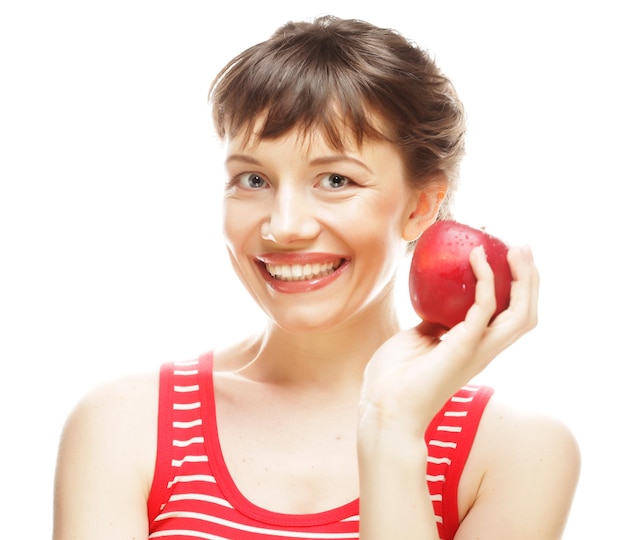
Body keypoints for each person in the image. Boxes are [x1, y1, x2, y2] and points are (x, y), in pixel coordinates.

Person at [53, 15, 580, 540]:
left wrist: (391, 429)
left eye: (335, 179)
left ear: (422, 207)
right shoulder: (125, 425)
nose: (284, 227)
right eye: (252, 179)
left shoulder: (515, 453)